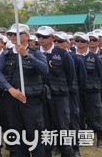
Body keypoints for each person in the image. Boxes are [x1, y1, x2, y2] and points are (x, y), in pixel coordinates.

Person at [0, 23, 48, 157]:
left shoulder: (36, 53)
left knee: (35, 134)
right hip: (12, 100)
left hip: (31, 100)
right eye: (11, 34)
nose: (13, 36)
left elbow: (44, 70)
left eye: (17, 34)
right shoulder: (6, 54)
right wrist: (10, 89)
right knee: (16, 135)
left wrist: (26, 55)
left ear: (27, 36)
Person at [35, 26, 75, 157]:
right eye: (39, 36)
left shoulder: (62, 53)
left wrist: (62, 88)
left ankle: (67, 153)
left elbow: (71, 75)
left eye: (44, 37)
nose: (41, 39)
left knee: (62, 127)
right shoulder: (33, 53)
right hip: (40, 96)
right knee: (44, 128)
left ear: (52, 38)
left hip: (59, 96)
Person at [75, 32, 102, 148]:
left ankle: (100, 138)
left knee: (95, 115)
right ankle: (86, 139)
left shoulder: (94, 57)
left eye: (82, 41)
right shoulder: (71, 56)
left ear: (86, 43)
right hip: (77, 91)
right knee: (80, 114)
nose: (79, 43)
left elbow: (100, 74)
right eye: (77, 40)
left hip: (92, 91)